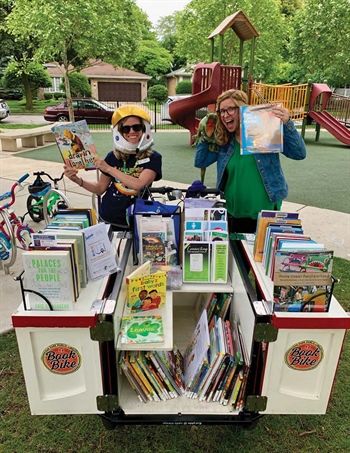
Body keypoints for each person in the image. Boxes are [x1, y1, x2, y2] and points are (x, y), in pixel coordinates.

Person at [195, 89, 306, 235]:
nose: (225, 115)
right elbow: (200, 161)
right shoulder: (225, 141)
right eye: (221, 111)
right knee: (237, 255)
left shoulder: (263, 133)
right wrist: (205, 135)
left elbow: (299, 153)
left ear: (242, 109)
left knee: (259, 256)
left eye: (230, 109)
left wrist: (287, 123)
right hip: (233, 213)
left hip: (265, 213)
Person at [63, 105, 162, 229]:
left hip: (136, 219)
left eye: (137, 127)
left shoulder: (154, 157)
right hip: (108, 217)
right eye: (126, 129)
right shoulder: (113, 156)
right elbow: (100, 189)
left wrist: (109, 168)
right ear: (119, 132)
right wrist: (77, 180)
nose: (132, 132)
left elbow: (139, 185)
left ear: (144, 129)